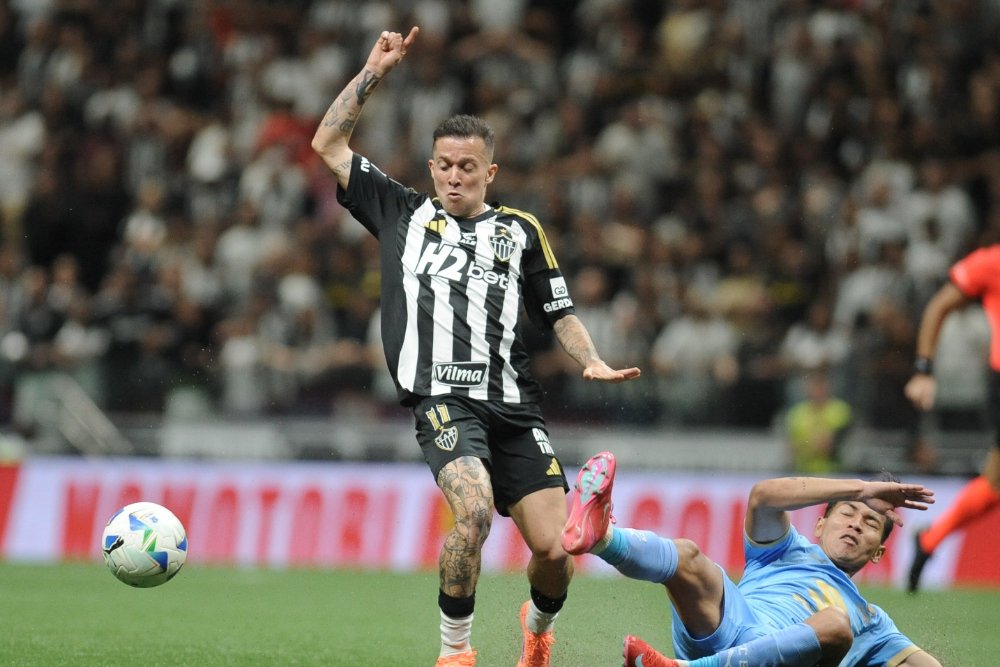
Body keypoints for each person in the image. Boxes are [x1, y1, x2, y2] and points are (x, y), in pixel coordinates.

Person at [311, 28, 641, 667]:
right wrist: (373, 71)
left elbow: (559, 310)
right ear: (431, 165)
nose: (454, 176)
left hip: (515, 406)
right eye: (444, 164)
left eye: (468, 166)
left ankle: (538, 632)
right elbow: (327, 142)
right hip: (442, 400)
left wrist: (591, 359)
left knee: (553, 549)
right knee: (474, 513)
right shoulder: (400, 213)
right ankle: (455, 654)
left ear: (490, 171)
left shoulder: (521, 230)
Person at [561, 452, 942, 666]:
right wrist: (864, 488)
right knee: (690, 557)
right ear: (821, 523)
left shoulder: (872, 621)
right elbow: (762, 496)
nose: (856, 524)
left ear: (878, 551)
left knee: (836, 626)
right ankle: (602, 538)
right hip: (729, 628)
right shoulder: (784, 548)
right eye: (848, 512)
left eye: (871, 523)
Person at [903, 242, 1000, 593]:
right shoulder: (991, 262)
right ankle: (930, 539)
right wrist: (924, 368)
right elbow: (940, 305)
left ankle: (930, 540)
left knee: (995, 483)